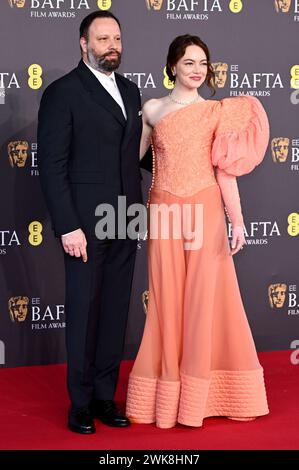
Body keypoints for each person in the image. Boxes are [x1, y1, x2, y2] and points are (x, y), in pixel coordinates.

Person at [126, 35, 270, 428]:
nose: (196, 70)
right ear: (172, 65)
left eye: (202, 63)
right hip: (164, 213)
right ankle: (166, 391)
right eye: (188, 62)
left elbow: (225, 171)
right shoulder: (152, 109)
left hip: (205, 210)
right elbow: (130, 161)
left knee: (207, 299)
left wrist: (236, 220)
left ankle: (205, 395)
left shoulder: (216, 112)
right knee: (166, 299)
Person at [37, 11, 143, 434]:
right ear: (84, 43)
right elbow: (52, 164)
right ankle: (79, 402)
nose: (112, 45)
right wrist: (67, 225)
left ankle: (104, 396)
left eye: (117, 37)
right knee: (84, 311)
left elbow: (134, 154)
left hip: (126, 217)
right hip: (84, 222)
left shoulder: (132, 92)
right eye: (102, 39)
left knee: (115, 311)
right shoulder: (63, 92)